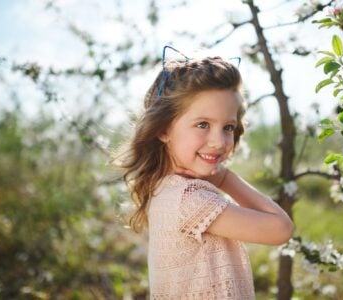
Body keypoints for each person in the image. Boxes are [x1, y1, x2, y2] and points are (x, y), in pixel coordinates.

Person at [117, 48, 294, 299]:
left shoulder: (165, 188)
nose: (219, 142)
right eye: (203, 124)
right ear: (164, 129)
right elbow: (281, 228)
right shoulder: (189, 199)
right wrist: (225, 178)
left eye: (228, 127)